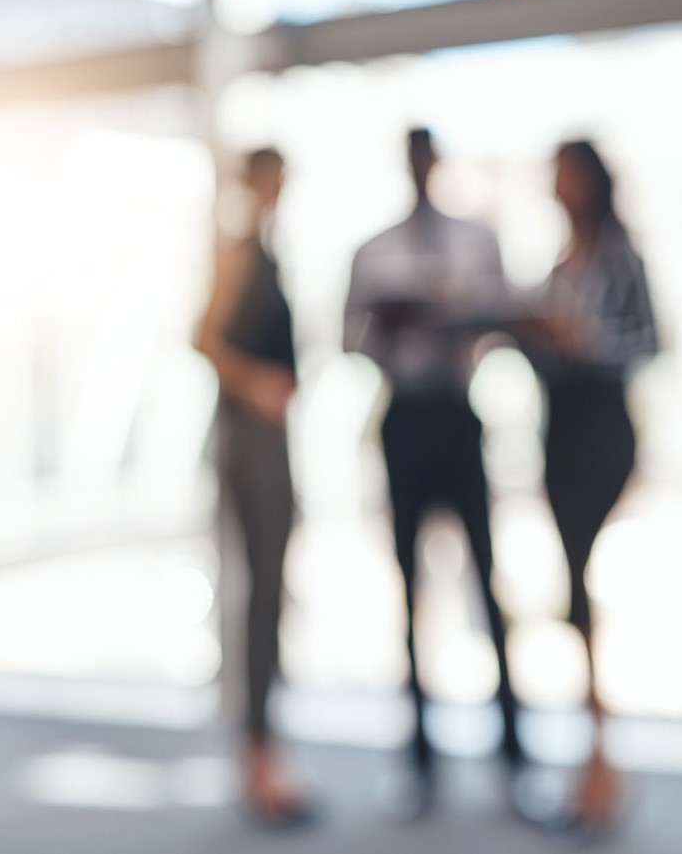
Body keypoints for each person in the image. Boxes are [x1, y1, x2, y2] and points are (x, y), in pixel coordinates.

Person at [344, 128, 523, 812]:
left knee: (488, 579)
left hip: (457, 413)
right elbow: (347, 336)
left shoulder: (478, 241)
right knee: (409, 592)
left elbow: (505, 319)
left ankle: (513, 752)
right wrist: (393, 325)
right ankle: (419, 758)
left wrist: (458, 315)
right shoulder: (373, 250)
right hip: (405, 419)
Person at [514, 140, 658, 830]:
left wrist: (583, 340)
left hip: (601, 428)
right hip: (560, 428)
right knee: (573, 587)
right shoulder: (556, 263)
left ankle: (605, 761)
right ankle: (594, 759)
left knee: (588, 583)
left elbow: (647, 341)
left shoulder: (620, 257)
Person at [196, 147, 306, 820]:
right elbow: (203, 338)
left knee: (272, 592)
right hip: (250, 440)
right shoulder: (240, 251)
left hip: (269, 438)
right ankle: (258, 754)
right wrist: (258, 385)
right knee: (261, 594)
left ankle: (264, 748)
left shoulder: (265, 250)